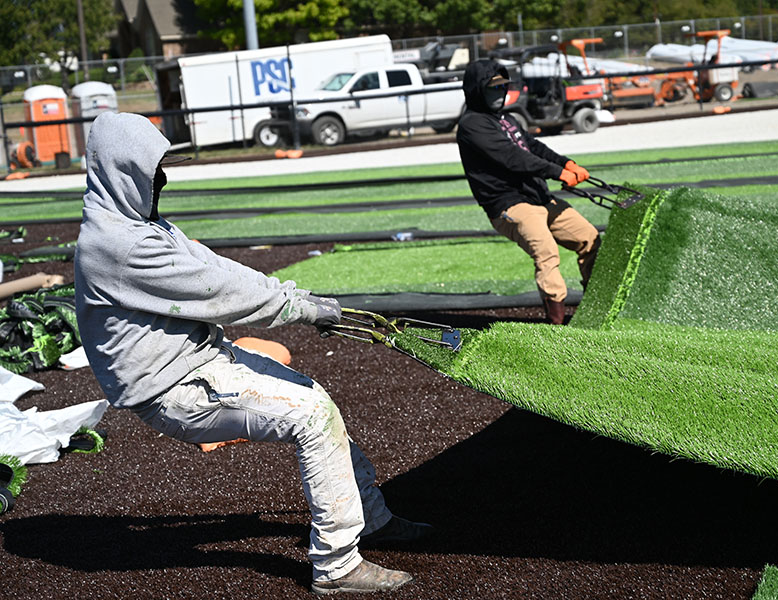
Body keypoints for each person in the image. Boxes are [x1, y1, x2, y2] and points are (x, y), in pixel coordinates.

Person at [74, 112, 429, 595]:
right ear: (122, 171)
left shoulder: (141, 224)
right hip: (172, 388)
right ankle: (337, 566)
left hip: (200, 359)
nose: (162, 177)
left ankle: (371, 517)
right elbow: (219, 289)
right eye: (152, 167)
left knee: (313, 395)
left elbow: (212, 264)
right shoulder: (120, 244)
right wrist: (300, 307)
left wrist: (293, 294)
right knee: (311, 415)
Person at [456, 59, 599, 324]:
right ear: (477, 90)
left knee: (590, 238)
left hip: (539, 197)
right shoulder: (472, 125)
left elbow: (532, 147)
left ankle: (596, 307)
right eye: (492, 88)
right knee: (546, 252)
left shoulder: (506, 119)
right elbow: (512, 158)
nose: (500, 94)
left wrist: (566, 162)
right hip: (509, 204)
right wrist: (558, 173)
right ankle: (557, 324)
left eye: (502, 88)